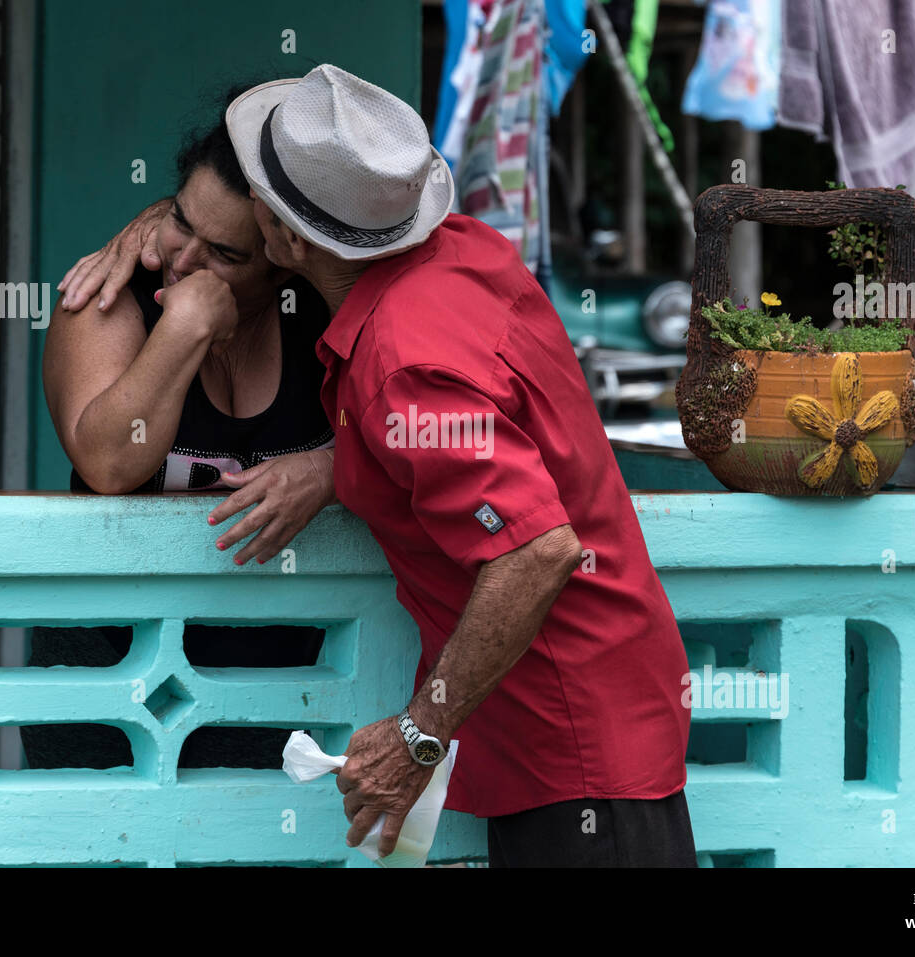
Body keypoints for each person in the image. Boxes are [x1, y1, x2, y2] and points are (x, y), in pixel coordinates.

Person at [73, 64, 696, 868]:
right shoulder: (457, 252)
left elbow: (533, 550)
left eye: (253, 203)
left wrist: (418, 731)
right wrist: (171, 229)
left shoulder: (405, 362)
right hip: (585, 730)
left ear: (290, 242)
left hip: (574, 753)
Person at [32, 97, 335, 772]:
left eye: (224, 251)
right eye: (178, 219)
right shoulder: (109, 298)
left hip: (281, 679)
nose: (182, 258)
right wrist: (186, 325)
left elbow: (396, 435)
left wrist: (329, 468)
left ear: (287, 259)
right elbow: (109, 462)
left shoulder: (318, 314)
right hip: (112, 673)